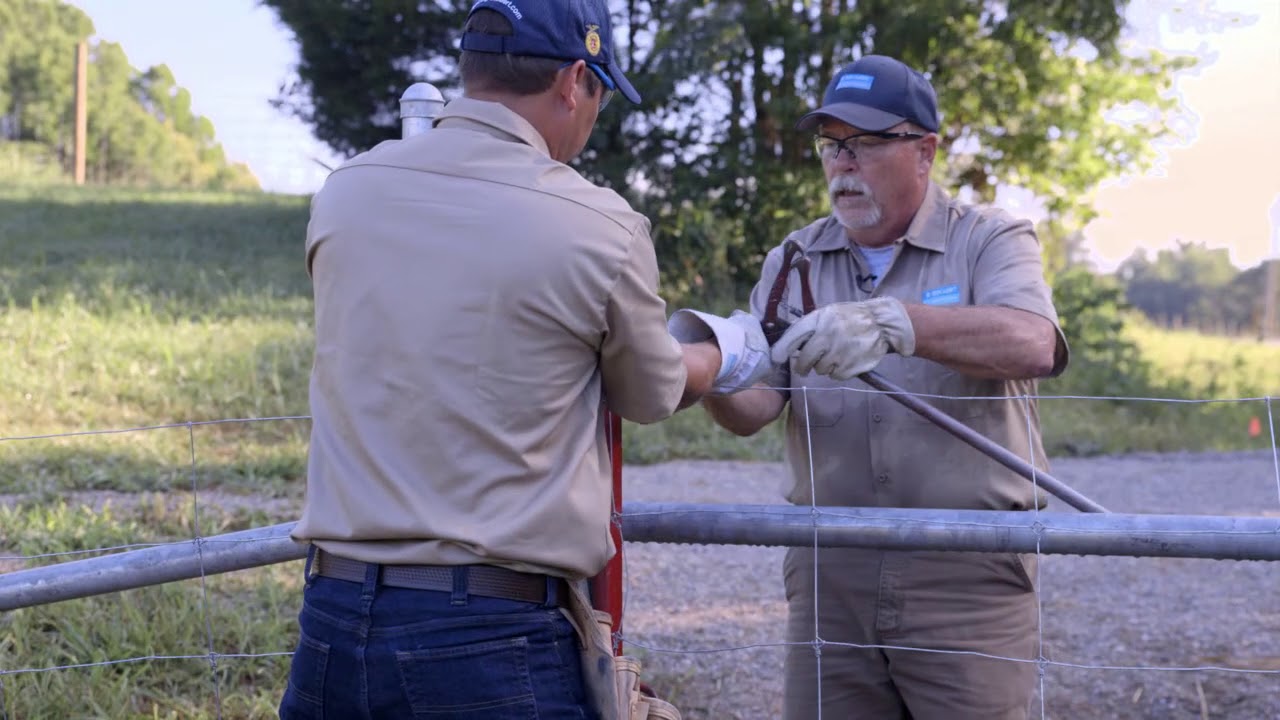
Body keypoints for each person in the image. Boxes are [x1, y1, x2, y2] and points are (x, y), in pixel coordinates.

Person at [278, 1, 771, 718]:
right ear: (574, 80)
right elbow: (650, 391)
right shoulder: (599, 225)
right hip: (488, 635)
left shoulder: (348, 191)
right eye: (599, 93)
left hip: (331, 616)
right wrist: (721, 352)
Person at [702, 55, 1070, 720]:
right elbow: (757, 408)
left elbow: (1034, 343)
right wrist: (709, 370)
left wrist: (901, 322)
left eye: (867, 143)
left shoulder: (989, 239)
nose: (843, 164)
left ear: (924, 151)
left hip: (967, 573)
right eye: (832, 145)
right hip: (831, 571)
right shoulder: (795, 261)